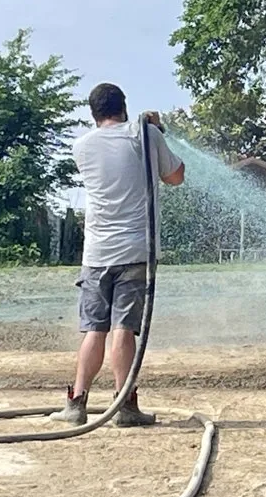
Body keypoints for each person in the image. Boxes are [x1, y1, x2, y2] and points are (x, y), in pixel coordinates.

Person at [50, 82, 185, 427]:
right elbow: (175, 176)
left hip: (96, 254)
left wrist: (143, 128)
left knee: (94, 330)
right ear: (123, 106)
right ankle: (124, 406)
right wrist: (157, 129)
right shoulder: (144, 136)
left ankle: (75, 404)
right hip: (136, 250)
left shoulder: (81, 146)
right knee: (123, 329)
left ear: (93, 114)